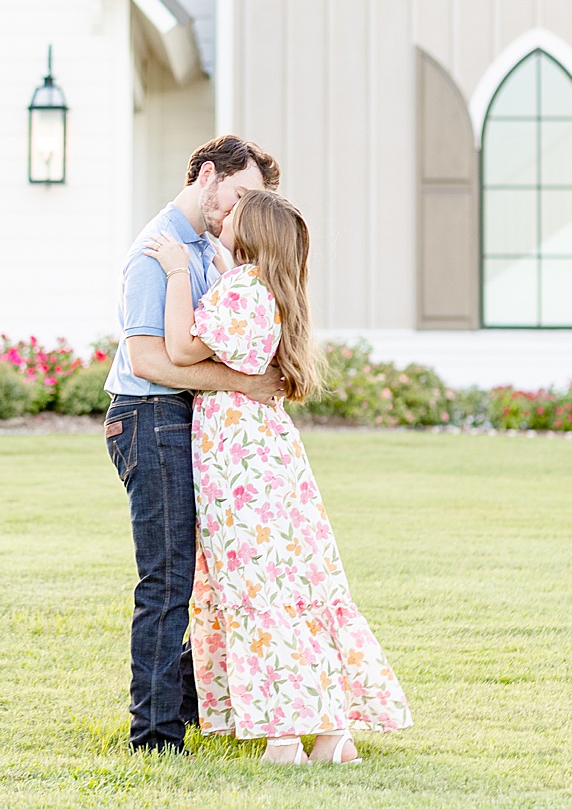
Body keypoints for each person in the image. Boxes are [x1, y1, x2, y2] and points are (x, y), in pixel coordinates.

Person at [143, 187, 411, 765]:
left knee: (257, 592)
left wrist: (175, 274)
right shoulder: (272, 292)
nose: (224, 220)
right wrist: (217, 268)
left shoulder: (241, 290)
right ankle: (330, 731)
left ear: (253, 233)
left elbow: (182, 348)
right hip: (271, 460)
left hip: (238, 468)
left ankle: (284, 734)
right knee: (298, 586)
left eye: (234, 216)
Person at [104, 135, 285, 756]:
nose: (239, 213)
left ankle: (188, 705)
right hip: (150, 418)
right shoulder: (155, 252)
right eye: (238, 196)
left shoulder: (209, 250)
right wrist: (246, 384)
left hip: (189, 424)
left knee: (217, 578)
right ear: (208, 174)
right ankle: (153, 735)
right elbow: (150, 358)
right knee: (168, 578)